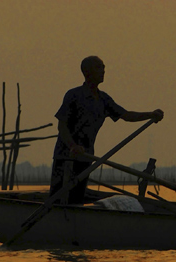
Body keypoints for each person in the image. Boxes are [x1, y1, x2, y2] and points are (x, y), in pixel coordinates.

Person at [50, 56, 164, 204]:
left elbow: (127, 115)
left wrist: (150, 114)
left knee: (77, 199)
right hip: (66, 157)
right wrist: (72, 146)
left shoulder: (103, 99)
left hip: (86, 157)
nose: (103, 71)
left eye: (104, 67)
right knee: (58, 199)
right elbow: (62, 126)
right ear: (86, 71)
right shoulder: (74, 95)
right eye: (99, 67)